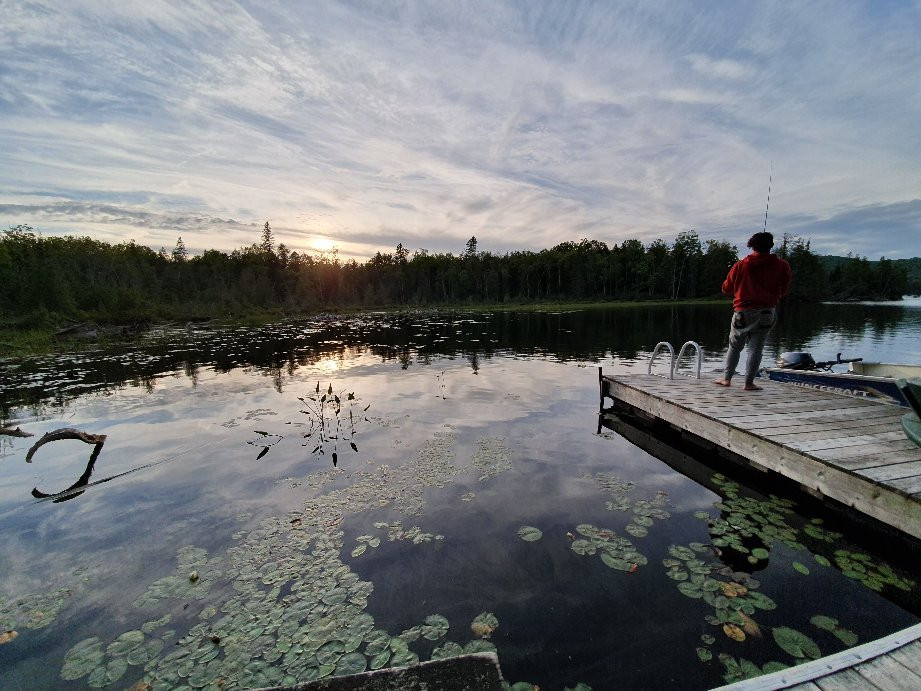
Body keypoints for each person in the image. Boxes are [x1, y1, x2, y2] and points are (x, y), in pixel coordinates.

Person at [714, 231, 792, 391]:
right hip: (767, 312)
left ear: (752, 245)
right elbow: (784, 290)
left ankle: (727, 379)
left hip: (743, 312)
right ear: (771, 245)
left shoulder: (740, 265)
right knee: (756, 348)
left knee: (735, 346)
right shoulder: (782, 265)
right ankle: (748, 383)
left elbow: (725, 288)